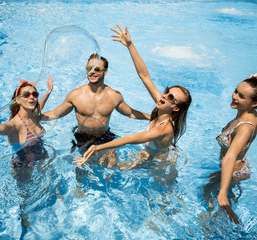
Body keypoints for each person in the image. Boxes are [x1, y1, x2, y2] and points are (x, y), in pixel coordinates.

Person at [73, 24, 192, 168]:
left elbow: (131, 139)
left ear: (176, 108)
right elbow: (144, 76)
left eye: (171, 98)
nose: (164, 96)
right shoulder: (162, 105)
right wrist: (130, 45)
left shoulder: (164, 129)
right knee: (114, 166)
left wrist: (98, 147)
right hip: (150, 152)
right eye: (167, 91)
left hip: (159, 162)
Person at [41, 53, 150, 163]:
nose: (92, 72)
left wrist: (153, 117)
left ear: (105, 72)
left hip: (105, 137)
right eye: (89, 68)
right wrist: (34, 118)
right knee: (80, 171)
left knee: (111, 171)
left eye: (97, 69)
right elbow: (56, 113)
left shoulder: (114, 96)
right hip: (82, 138)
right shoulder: (76, 95)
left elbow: (130, 113)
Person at [215, 71, 257, 224]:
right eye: (236, 91)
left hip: (233, 171)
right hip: (238, 165)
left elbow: (230, 156)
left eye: (242, 96)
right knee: (210, 196)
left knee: (216, 205)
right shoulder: (248, 113)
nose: (235, 96)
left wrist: (222, 192)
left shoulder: (245, 127)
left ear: (255, 103)